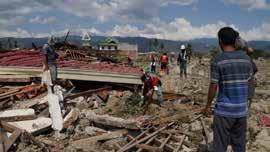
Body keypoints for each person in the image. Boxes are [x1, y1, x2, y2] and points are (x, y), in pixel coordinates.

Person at [203, 27, 253, 152]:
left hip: (224, 112)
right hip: (241, 111)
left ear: (220, 41)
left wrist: (208, 105)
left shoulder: (218, 60)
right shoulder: (247, 59)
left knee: (220, 146)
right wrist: (247, 103)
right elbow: (250, 82)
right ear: (235, 41)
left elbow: (214, 85)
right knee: (239, 146)